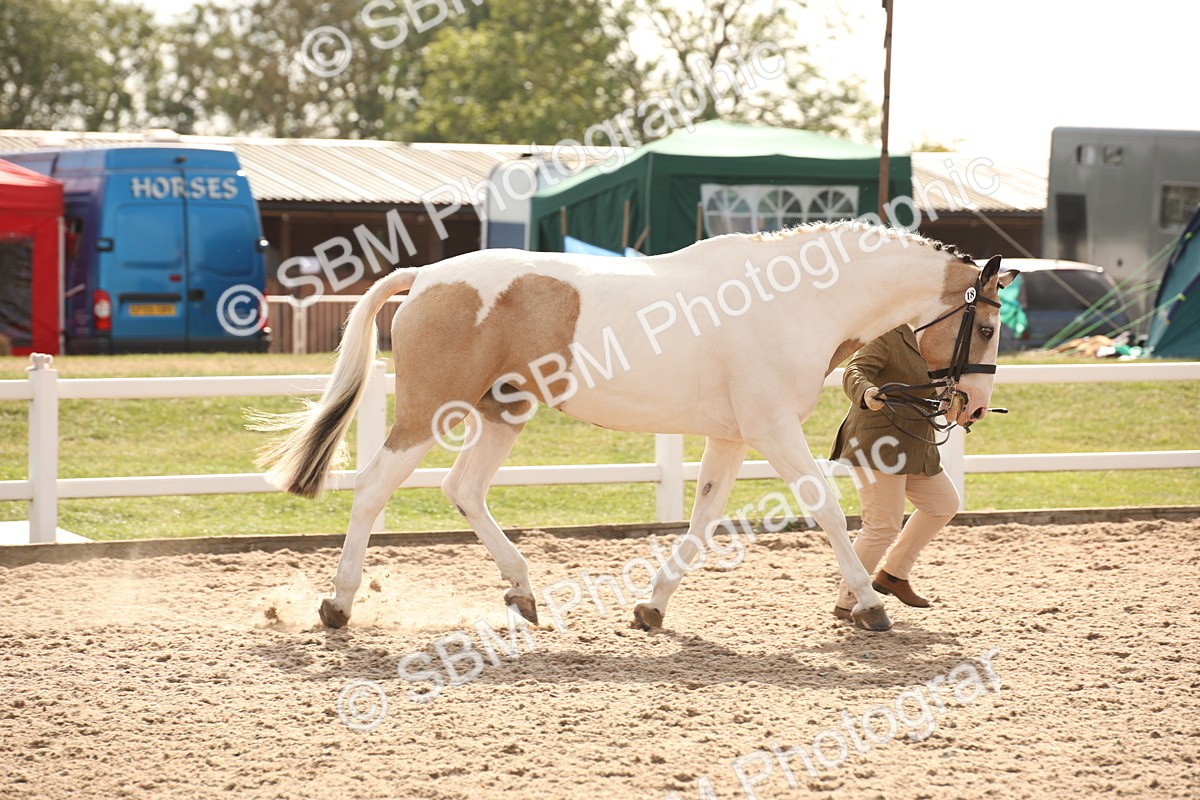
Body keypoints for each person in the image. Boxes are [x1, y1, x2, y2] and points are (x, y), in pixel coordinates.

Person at [828, 325, 961, 620]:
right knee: (882, 525)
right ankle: (850, 600)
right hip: (878, 443)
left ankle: (893, 574)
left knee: (943, 505)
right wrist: (867, 392)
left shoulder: (940, 337)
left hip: (915, 444)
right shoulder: (888, 332)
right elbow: (855, 371)